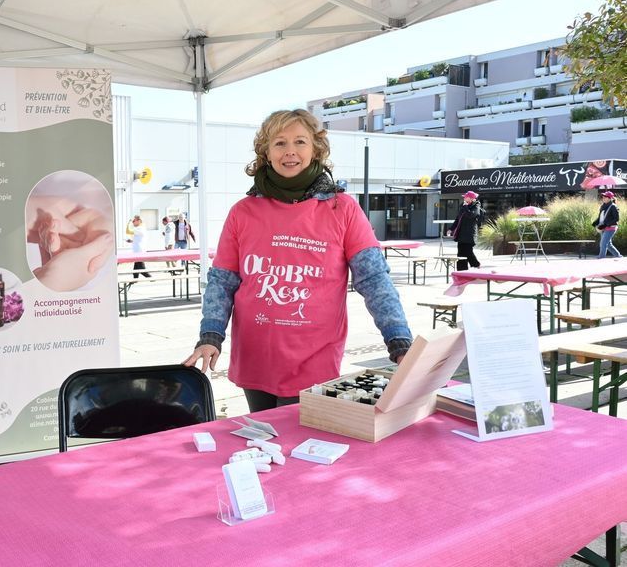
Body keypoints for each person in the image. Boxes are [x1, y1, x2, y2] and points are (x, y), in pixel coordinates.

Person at [182, 109, 412, 413]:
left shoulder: (342, 209)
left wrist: (398, 339)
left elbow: (373, 279)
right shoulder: (243, 211)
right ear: (265, 152)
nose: (290, 151)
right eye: (279, 143)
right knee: (265, 444)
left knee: (301, 450)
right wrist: (210, 334)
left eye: (300, 141)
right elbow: (223, 281)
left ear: (316, 149)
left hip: (313, 362)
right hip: (255, 359)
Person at [447, 191, 484, 271]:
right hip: (461, 234)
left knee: (468, 252)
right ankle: (461, 271)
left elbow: (471, 215)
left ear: (471, 198)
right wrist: (451, 229)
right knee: (460, 253)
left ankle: (476, 264)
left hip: (469, 234)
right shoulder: (463, 206)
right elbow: (457, 219)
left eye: (465, 197)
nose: (464, 198)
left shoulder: (476, 206)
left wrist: (465, 207)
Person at [592, 190, 622, 259]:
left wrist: (605, 225)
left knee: (603, 243)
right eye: (603, 196)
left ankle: (601, 257)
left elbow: (616, 219)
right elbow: (600, 217)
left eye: (605, 197)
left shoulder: (613, 207)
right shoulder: (603, 206)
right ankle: (618, 256)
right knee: (608, 244)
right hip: (603, 227)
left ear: (609, 198)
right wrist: (594, 224)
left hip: (611, 228)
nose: (603, 198)